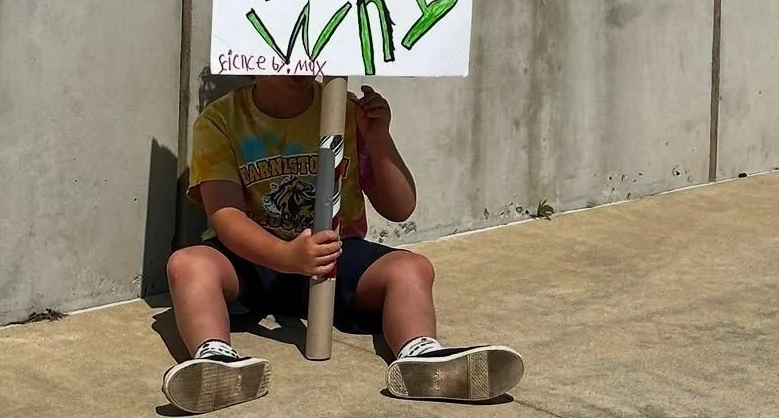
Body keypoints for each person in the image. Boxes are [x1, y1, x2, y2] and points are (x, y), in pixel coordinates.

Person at [162, 76, 523, 411]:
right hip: (251, 259)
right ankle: (215, 359)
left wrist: (379, 138)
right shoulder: (221, 120)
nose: (298, 60)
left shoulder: (344, 110)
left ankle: (420, 356)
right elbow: (227, 219)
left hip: (335, 256)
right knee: (187, 264)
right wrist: (286, 256)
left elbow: (400, 207)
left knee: (412, 268)